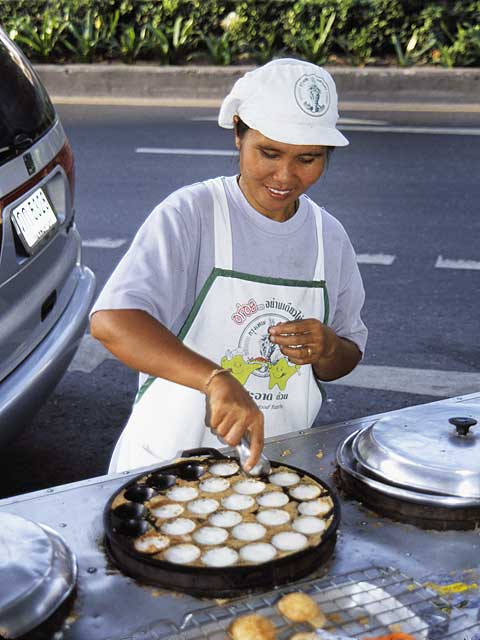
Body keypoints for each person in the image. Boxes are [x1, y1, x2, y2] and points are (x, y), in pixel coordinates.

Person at [90, 58, 368, 474]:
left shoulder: (328, 238)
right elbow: (112, 322)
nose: (285, 176)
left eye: (308, 159)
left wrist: (327, 347)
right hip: (167, 468)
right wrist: (214, 379)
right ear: (238, 133)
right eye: (269, 153)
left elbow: (345, 356)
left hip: (273, 469)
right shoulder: (192, 214)